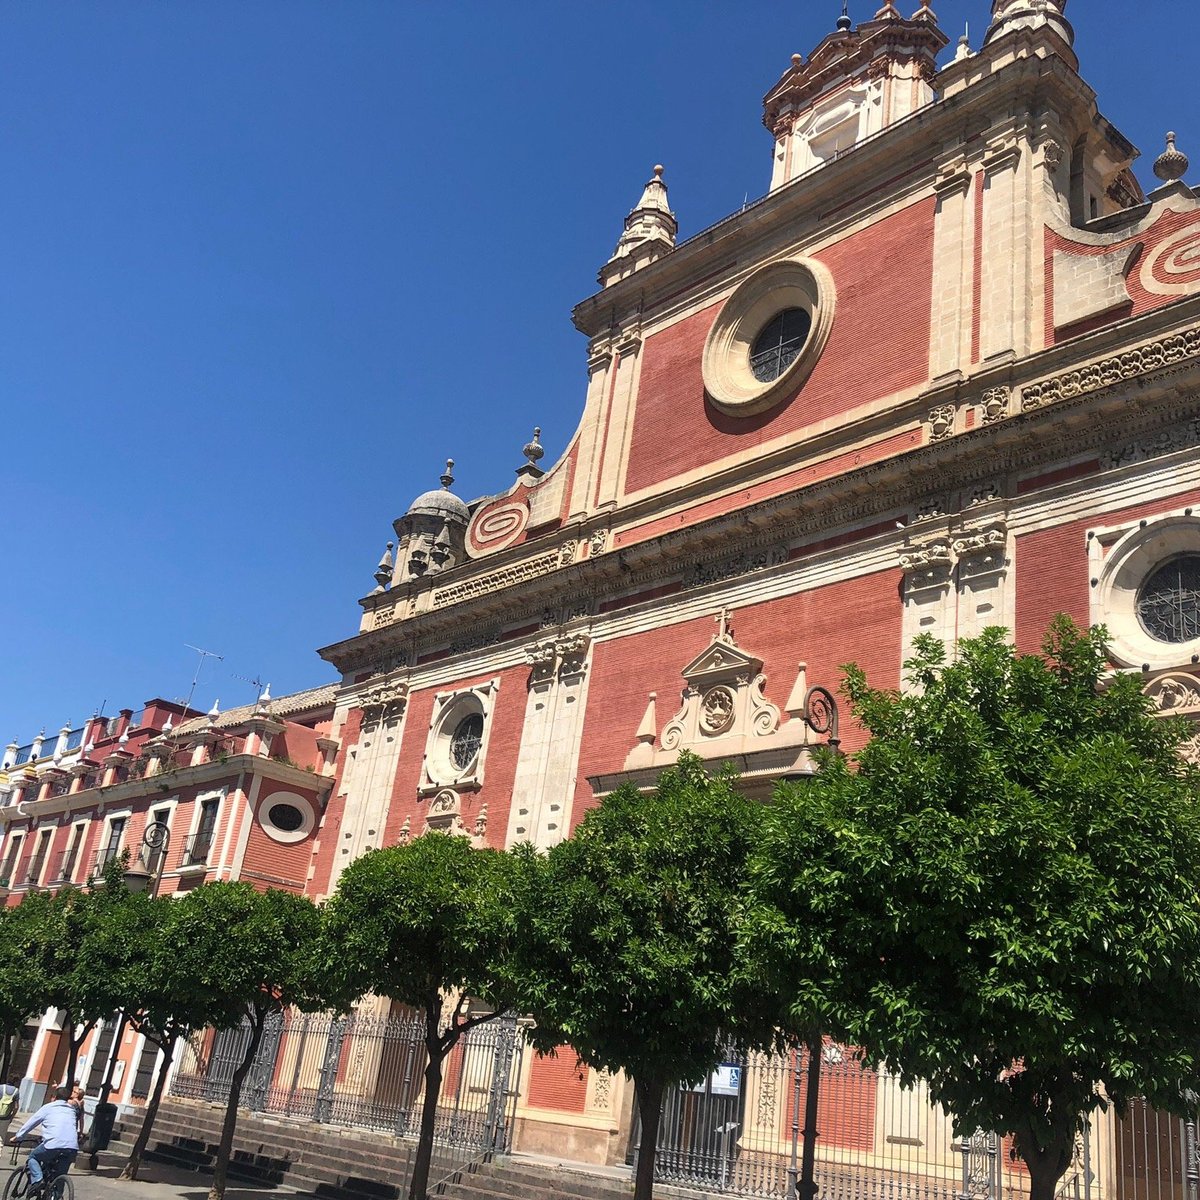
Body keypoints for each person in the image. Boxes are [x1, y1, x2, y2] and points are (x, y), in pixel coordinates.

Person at [10, 1085, 78, 1195]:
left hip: (53, 1144)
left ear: (55, 1097)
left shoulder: (48, 1107)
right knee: (59, 1177)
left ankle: (38, 1179)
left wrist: (19, 1136)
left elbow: (31, 1122)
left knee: (33, 1157)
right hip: (72, 1147)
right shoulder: (72, 1110)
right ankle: (56, 1195)